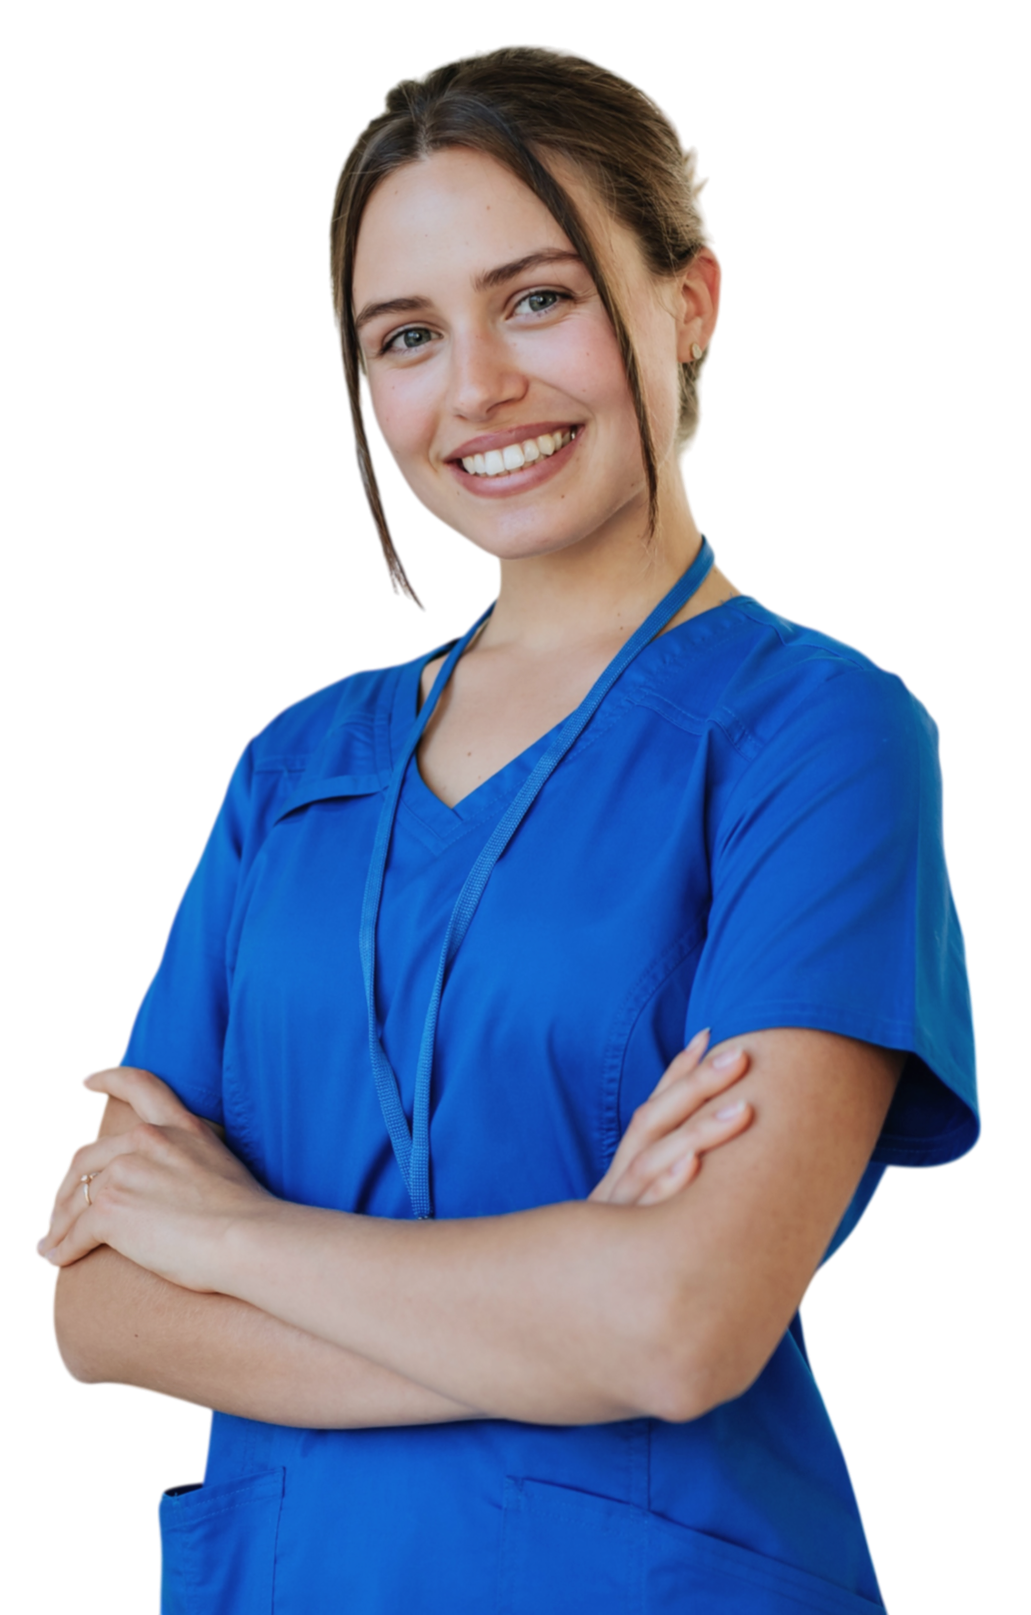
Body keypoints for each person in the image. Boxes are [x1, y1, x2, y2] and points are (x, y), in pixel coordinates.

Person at [43, 45, 979, 1613]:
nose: (475, 388)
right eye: (407, 335)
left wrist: (230, 1234)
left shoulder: (818, 734)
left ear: (688, 303)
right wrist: (567, 1299)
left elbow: (684, 1322)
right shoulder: (296, 766)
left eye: (535, 299)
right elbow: (94, 1305)